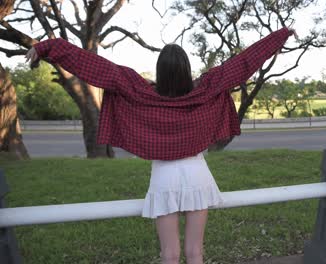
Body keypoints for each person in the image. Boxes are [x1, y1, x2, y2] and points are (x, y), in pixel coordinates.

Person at [26, 27, 295, 264]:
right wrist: (280, 36)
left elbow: (94, 66)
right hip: (197, 177)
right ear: (187, 69)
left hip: (164, 179)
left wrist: (47, 47)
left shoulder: (139, 90)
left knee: (169, 255)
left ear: (160, 71)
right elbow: (244, 63)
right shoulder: (206, 88)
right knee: (195, 253)